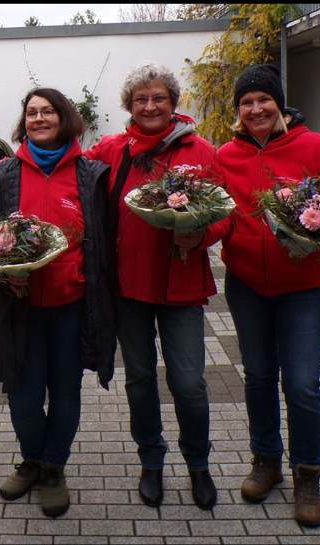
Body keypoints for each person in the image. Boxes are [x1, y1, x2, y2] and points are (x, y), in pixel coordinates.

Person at [201, 64, 320, 527]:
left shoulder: (314, 147)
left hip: (303, 289)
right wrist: (194, 234)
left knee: (302, 384)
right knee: (259, 377)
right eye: (246, 103)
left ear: (279, 104)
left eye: (263, 100)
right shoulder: (226, 155)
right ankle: (266, 460)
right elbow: (223, 215)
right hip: (247, 284)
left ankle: (307, 473)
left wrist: (315, 236)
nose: (255, 109)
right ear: (238, 111)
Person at [0, 88, 116, 517]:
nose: (38, 119)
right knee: (23, 394)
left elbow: (106, 239)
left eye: (47, 111)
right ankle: (32, 458)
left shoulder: (91, 175)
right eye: (31, 113)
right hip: (20, 308)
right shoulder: (3, 174)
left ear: (63, 117)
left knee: (66, 390)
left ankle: (54, 467)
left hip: (73, 306)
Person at [85, 62, 218, 510]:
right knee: (140, 380)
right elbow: (72, 173)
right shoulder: (111, 150)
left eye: (158, 97)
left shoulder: (200, 151)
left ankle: (198, 465)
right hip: (129, 289)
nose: (149, 105)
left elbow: (226, 212)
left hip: (183, 288)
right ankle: (151, 462)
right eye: (141, 99)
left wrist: (202, 235)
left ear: (173, 103)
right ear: (128, 105)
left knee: (189, 383)